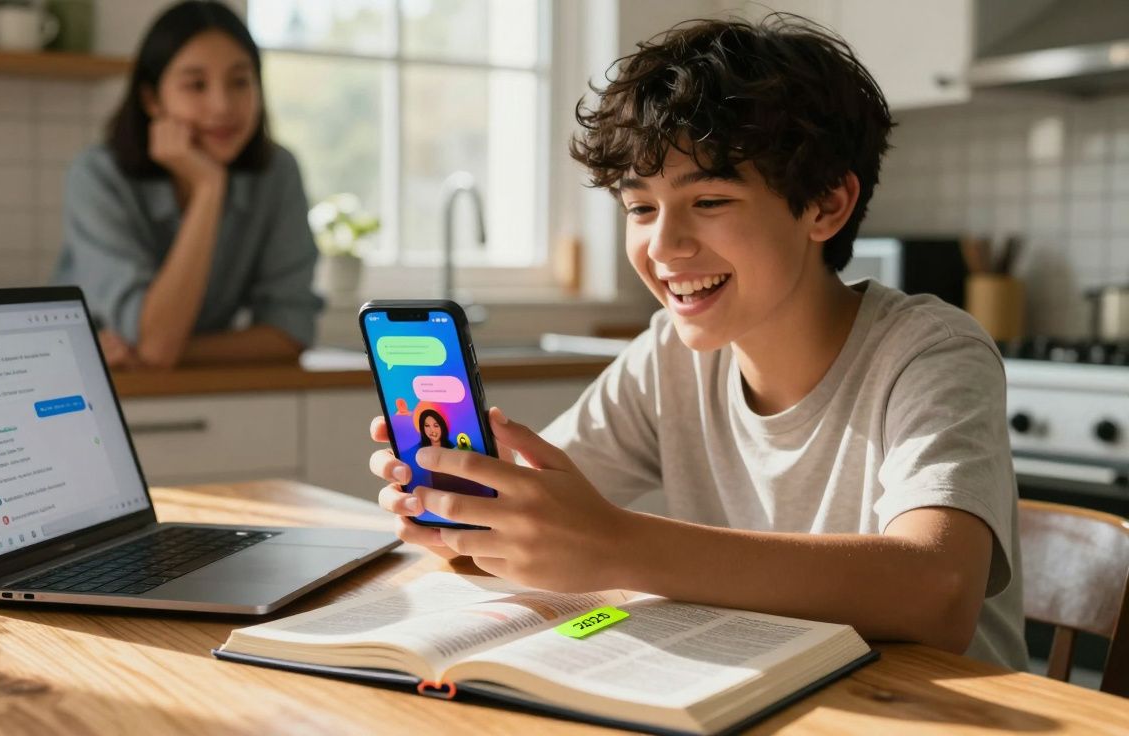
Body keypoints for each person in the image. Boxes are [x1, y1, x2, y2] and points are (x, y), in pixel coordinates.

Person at [366, 15, 1027, 670]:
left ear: (826, 205)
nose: (663, 246)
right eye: (640, 208)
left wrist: (618, 544)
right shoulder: (668, 357)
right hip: (759, 691)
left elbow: (938, 590)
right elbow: (537, 522)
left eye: (709, 201)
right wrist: (461, 514)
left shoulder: (930, 352)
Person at [51, 1, 322, 369]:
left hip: (174, 376)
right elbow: (156, 346)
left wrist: (169, 351)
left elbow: (290, 331)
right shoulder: (97, 176)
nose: (222, 105)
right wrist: (209, 190)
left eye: (240, 82)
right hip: (86, 377)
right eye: (196, 85)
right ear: (152, 99)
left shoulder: (277, 172)